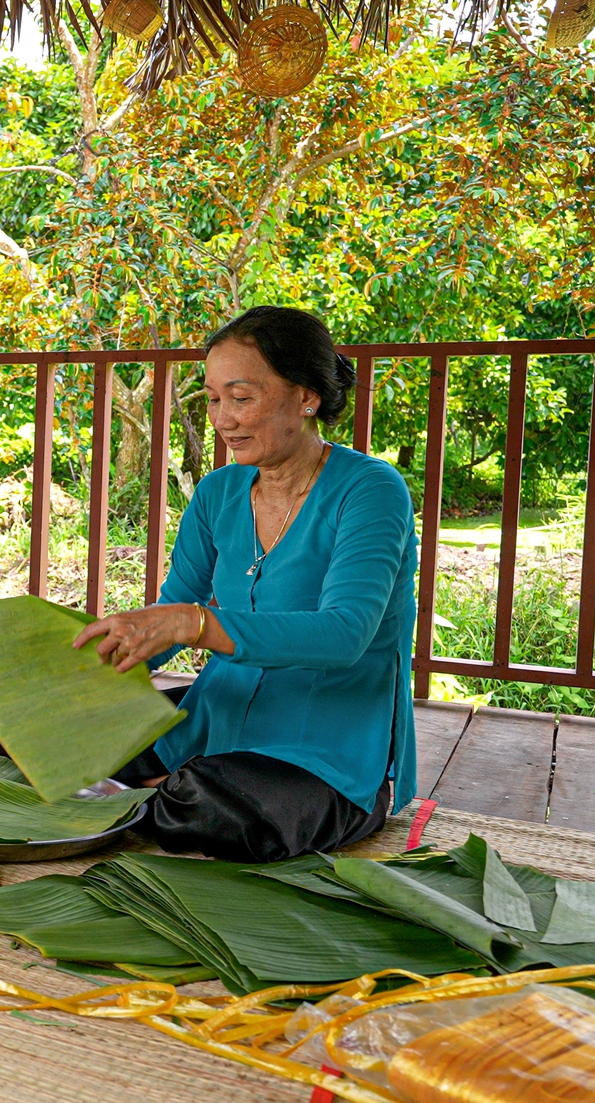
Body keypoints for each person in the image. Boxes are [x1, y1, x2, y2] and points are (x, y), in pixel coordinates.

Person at [73, 306, 417, 863]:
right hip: (217, 716)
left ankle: (146, 796)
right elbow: (171, 615)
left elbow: (344, 634)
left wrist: (195, 622)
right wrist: (93, 663)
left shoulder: (371, 489)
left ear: (305, 398)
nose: (222, 419)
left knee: (210, 804)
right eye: (212, 399)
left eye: (241, 397)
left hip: (325, 747)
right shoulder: (218, 493)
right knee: (56, 744)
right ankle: (146, 791)